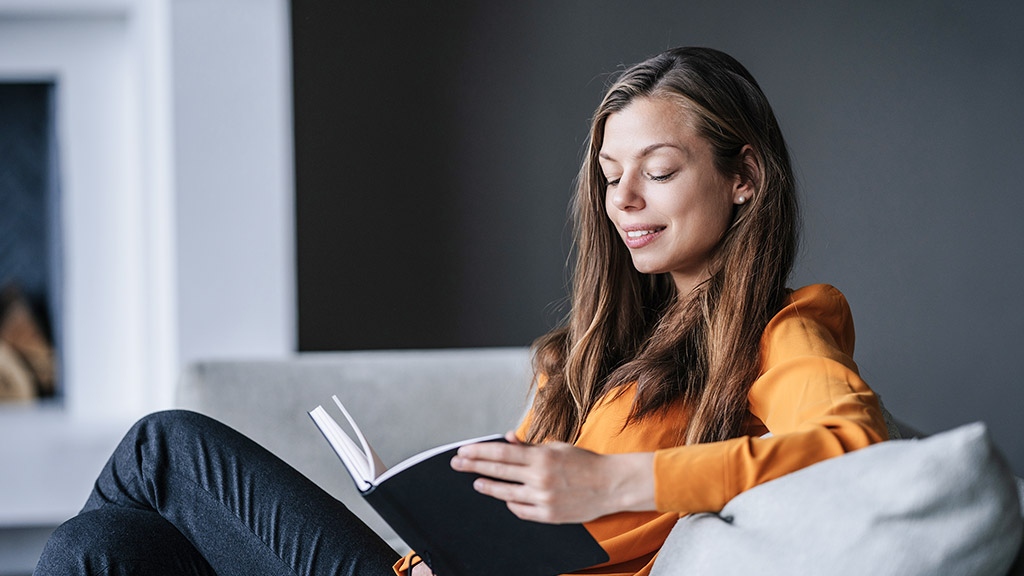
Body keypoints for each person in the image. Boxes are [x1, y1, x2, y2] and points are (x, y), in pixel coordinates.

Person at [35, 46, 888, 576]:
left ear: (745, 178)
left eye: (658, 171)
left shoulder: (786, 328)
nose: (623, 199)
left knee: (165, 445)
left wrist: (615, 480)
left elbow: (856, 448)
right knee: (97, 552)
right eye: (608, 172)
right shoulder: (604, 344)